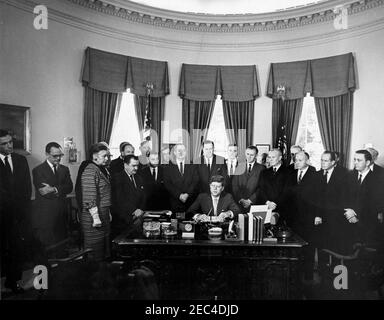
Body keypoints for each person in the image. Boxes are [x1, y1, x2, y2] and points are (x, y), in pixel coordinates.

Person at [0, 129, 32, 293]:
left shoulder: (20, 160)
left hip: (18, 215)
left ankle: (13, 282)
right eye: (4, 144)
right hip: (1, 214)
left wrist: (23, 211)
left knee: (16, 248)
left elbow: (27, 188)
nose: (9, 146)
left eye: (10, 142)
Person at [32, 142, 73, 248]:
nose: (59, 158)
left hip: (62, 213)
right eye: (55, 156)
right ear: (47, 154)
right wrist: (60, 189)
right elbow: (44, 192)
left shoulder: (64, 169)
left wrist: (53, 188)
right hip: (46, 216)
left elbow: (69, 187)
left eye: (60, 155)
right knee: (48, 247)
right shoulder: (38, 170)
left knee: (62, 246)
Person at [344, 150, 383, 246]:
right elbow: (343, 196)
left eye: (359, 160)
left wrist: (355, 215)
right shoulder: (349, 175)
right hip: (347, 219)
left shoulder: (378, 179)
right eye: (354, 159)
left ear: (368, 162)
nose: (355, 162)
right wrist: (349, 212)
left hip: (367, 223)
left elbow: (376, 203)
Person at [81, 143, 112, 261]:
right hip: (93, 218)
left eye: (108, 156)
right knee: (95, 250)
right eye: (104, 156)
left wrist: (107, 212)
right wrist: (95, 217)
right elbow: (89, 197)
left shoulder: (101, 169)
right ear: (94, 156)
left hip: (103, 214)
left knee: (103, 249)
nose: (107, 158)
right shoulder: (90, 170)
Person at [314, 150, 349, 253]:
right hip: (320, 218)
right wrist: (318, 215)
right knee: (321, 247)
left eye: (325, 161)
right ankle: (322, 268)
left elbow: (343, 198)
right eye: (321, 160)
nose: (322, 163)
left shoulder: (344, 175)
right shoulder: (318, 174)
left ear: (333, 162)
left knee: (334, 248)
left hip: (336, 218)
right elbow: (316, 198)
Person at [112, 155, 145, 238]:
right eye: (133, 166)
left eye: (137, 165)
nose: (136, 168)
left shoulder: (139, 178)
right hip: (124, 219)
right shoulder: (117, 178)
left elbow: (143, 197)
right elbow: (120, 199)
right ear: (125, 165)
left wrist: (140, 210)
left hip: (138, 218)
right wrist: (134, 210)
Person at [163, 143, 198, 214]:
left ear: (186, 152)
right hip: (174, 203)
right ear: (175, 152)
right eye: (179, 150)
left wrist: (187, 194)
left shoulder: (193, 165)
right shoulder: (167, 167)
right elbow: (167, 184)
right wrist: (179, 195)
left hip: (190, 202)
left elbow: (195, 182)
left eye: (183, 150)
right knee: (174, 224)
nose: (181, 152)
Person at [232, 146, 265, 213]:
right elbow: (234, 185)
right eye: (247, 154)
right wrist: (241, 199)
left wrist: (250, 201)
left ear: (256, 155)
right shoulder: (239, 166)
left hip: (254, 204)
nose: (249, 157)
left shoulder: (262, 168)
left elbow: (261, 188)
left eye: (252, 155)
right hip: (239, 203)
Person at [257, 149, 290, 215]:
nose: (270, 159)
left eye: (273, 157)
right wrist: (267, 202)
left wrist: (275, 203)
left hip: (281, 209)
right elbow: (260, 189)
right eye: (269, 157)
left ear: (280, 158)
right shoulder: (264, 172)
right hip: (265, 207)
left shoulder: (288, 172)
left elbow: (286, 191)